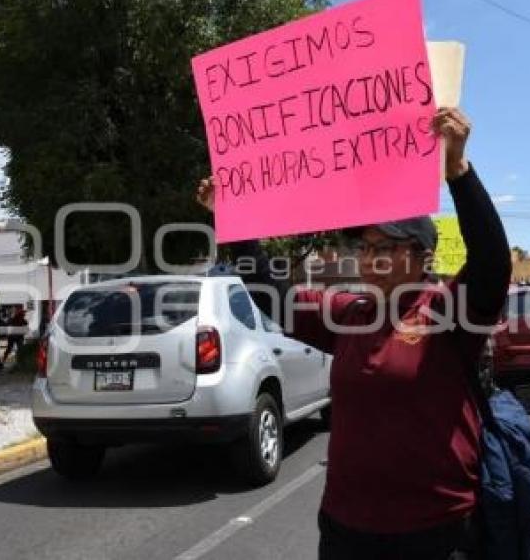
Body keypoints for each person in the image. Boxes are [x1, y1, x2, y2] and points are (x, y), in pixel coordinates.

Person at [197, 107, 511, 559]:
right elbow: (274, 299)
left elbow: (493, 266)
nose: (369, 259)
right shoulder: (349, 313)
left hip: (436, 532)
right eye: (365, 248)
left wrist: (458, 172)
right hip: (347, 529)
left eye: (384, 248)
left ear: (422, 255)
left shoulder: (448, 311)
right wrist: (234, 221)